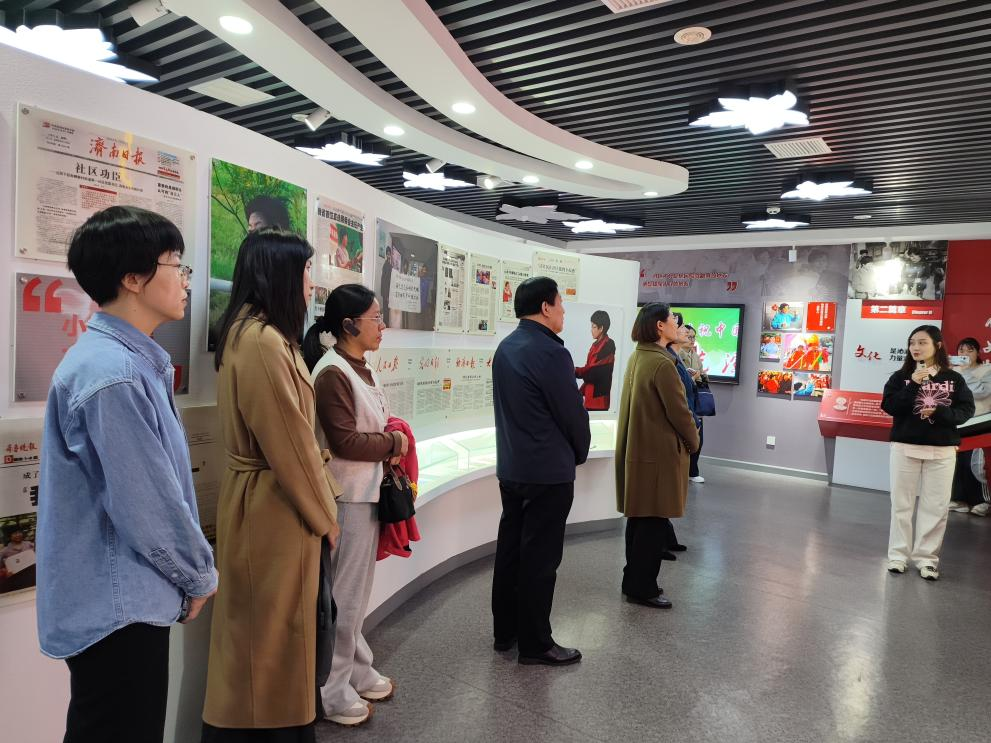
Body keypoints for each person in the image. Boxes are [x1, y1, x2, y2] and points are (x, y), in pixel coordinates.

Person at [37, 205, 217, 743]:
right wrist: (199, 575)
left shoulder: (125, 362)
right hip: (119, 605)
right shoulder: (112, 373)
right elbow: (148, 505)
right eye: (176, 265)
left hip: (123, 598)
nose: (186, 280)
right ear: (133, 278)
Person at [203, 229, 342, 742]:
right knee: (272, 641)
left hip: (266, 500)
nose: (311, 282)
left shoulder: (253, 332)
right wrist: (327, 517)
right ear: (280, 273)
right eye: (305, 270)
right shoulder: (262, 341)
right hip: (276, 508)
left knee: (261, 639)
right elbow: (292, 446)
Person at [302, 284, 407, 726]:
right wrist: (394, 442)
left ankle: (358, 671)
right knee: (343, 599)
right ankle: (332, 691)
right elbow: (345, 441)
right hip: (346, 498)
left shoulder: (361, 367)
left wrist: (388, 440)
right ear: (348, 325)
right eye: (375, 318)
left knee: (356, 595)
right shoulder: (332, 373)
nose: (382, 326)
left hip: (367, 494)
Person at [491, 277, 590, 666]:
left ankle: (506, 632)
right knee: (540, 560)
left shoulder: (506, 347)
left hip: (513, 467)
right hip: (548, 472)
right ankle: (535, 643)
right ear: (546, 307)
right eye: (560, 303)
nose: (563, 311)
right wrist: (579, 452)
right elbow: (572, 414)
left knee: (510, 551)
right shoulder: (551, 353)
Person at [616, 303, 700, 609]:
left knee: (639, 521)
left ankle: (633, 581)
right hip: (658, 455)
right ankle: (644, 588)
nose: (677, 325)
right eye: (672, 320)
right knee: (652, 526)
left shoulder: (639, 356)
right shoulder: (662, 364)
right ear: (659, 327)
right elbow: (680, 413)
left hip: (641, 452)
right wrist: (694, 442)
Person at [880, 325, 975, 581]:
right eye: (912, 342)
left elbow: (966, 410)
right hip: (905, 448)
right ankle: (898, 556)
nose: (916, 347)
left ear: (937, 345)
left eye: (922, 342)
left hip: (942, 451)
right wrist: (914, 384)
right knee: (901, 505)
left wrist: (940, 412)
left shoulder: (953, 378)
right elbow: (889, 406)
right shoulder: (900, 377)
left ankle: (927, 559)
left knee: (936, 507)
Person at [949, 337, 991, 516]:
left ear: (978, 353)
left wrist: (965, 371)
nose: (965, 354)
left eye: (970, 350)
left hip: (979, 424)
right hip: (957, 423)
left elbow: (982, 392)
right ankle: (959, 499)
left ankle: (982, 501)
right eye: (961, 350)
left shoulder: (987, 369)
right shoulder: (952, 370)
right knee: (955, 461)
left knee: (975, 463)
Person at [680, 324, 708, 484]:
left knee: (698, 436)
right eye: (688, 336)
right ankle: (684, 470)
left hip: (696, 399)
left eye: (693, 337)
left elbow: (703, 375)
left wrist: (700, 376)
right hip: (684, 399)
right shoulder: (677, 355)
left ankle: (693, 471)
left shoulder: (695, 355)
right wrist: (693, 377)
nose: (691, 340)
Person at [574, 310, 616, 410]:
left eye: (594, 327)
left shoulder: (608, 345)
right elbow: (589, 368)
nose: (591, 330)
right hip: (589, 397)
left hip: (599, 400)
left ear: (601, 328)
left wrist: (576, 371)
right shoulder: (594, 345)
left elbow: (593, 372)